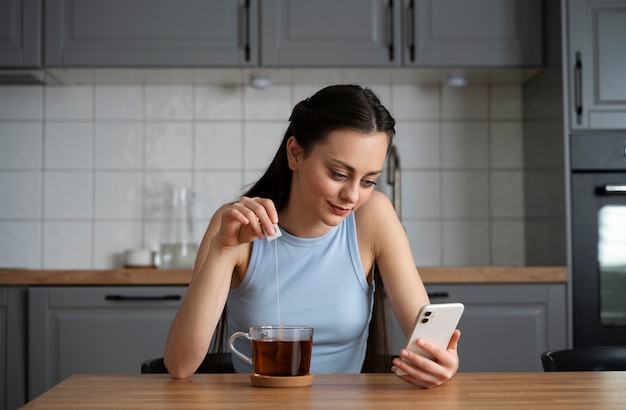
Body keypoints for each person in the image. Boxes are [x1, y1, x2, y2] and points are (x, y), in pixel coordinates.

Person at [163, 84, 461, 388]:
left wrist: (443, 361)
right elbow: (180, 365)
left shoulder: (374, 217)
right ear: (295, 153)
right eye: (339, 174)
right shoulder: (234, 227)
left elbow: (429, 342)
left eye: (369, 181)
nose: (352, 195)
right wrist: (223, 250)